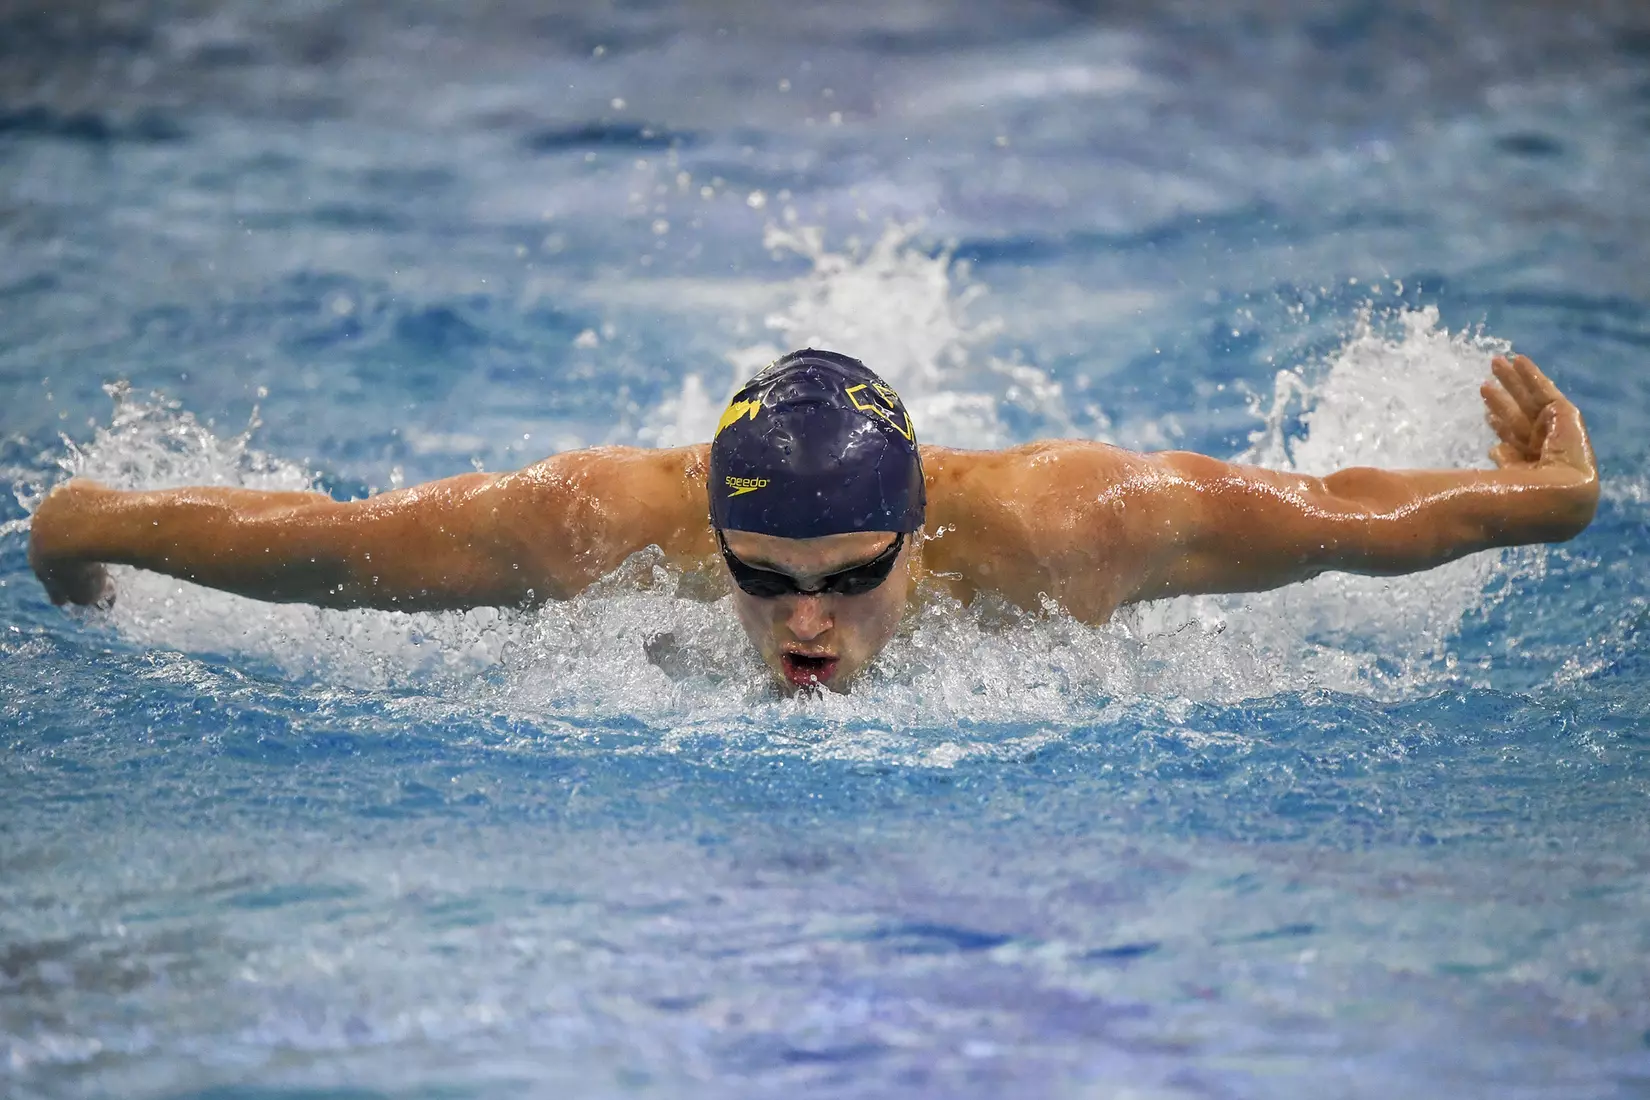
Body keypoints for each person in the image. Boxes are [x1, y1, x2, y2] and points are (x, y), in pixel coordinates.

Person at [28, 349, 1598, 692]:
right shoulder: (590, 523)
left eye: (851, 578)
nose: (804, 624)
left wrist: (1547, 499)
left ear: (923, 533)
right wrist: (92, 524)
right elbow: (316, 543)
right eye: (761, 578)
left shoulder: (1076, 526)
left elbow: (1344, 518)